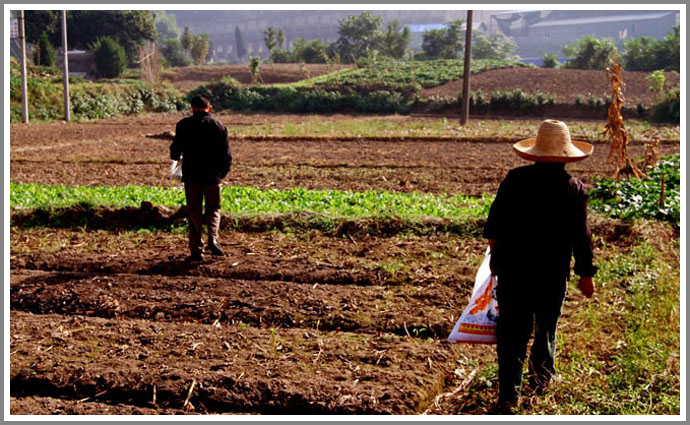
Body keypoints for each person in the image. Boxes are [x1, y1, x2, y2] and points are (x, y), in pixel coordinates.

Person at [482, 119, 597, 414]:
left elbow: (494, 227)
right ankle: (541, 384)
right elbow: (581, 236)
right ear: (566, 157)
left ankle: (509, 395)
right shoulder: (575, 189)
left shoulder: (514, 180)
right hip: (552, 274)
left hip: (514, 271)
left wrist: (496, 261)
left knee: (512, 333)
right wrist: (586, 274)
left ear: (535, 153)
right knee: (546, 327)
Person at [170, 95, 232, 262]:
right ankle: (213, 238)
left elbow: (174, 152)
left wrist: (182, 156)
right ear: (209, 108)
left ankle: (197, 250)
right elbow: (227, 156)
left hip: (192, 177)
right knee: (213, 209)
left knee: (194, 211)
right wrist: (221, 174)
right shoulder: (219, 126)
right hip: (213, 177)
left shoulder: (183, 125)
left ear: (192, 108)